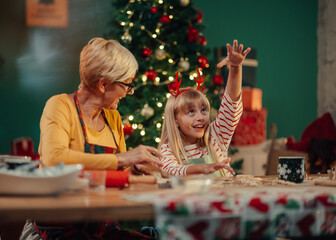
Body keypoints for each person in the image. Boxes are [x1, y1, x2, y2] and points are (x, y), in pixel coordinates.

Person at [20, 37, 163, 240]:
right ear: (103, 84)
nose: (129, 92)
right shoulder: (60, 105)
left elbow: (118, 173)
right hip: (54, 227)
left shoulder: (113, 118)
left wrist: (137, 169)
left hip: (102, 227)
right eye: (127, 85)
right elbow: (54, 158)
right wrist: (123, 159)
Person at [159, 40, 251, 177]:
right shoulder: (168, 149)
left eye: (203, 110)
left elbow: (231, 107)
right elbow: (171, 169)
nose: (200, 117)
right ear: (175, 119)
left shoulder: (216, 136)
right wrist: (203, 168)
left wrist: (236, 68)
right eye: (191, 111)